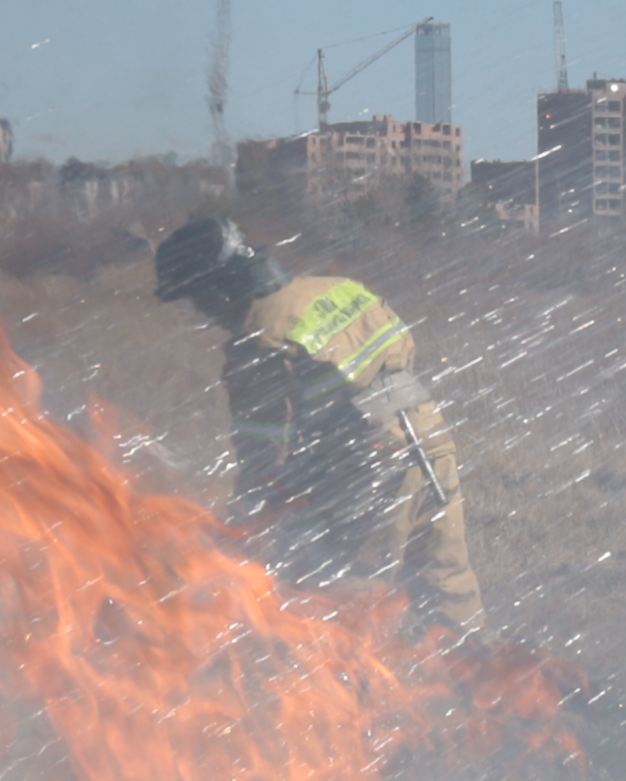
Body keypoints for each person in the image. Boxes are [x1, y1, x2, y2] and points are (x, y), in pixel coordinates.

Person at [148, 213, 480, 622]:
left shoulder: (258, 338)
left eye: (197, 298)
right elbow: (399, 357)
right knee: (446, 577)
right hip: (428, 434)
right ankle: (484, 674)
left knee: (347, 593)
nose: (202, 313)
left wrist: (244, 520)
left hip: (367, 465)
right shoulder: (337, 290)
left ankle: (353, 683)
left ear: (222, 288)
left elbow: (262, 445)